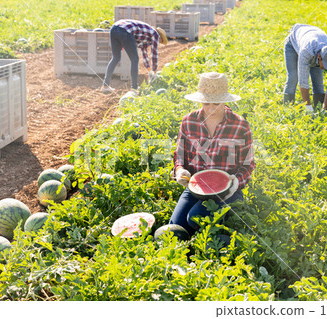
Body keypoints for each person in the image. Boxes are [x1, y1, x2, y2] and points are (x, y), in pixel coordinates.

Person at [170, 72, 256, 235]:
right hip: (196, 187)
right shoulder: (189, 121)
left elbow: (248, 164)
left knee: (194, 218)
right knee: (175, 229)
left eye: (216, 104)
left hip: (227, 191)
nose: (210, 109)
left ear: (225, 100)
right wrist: (180, 170)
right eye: (206, 103)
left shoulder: (240, 126)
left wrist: (236, 182)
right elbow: (179, 155)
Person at [283, 24, 327, 110]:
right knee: (293, 77)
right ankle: (287, 109)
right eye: (326, 65)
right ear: (320, 57)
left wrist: (324, 109)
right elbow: (303, 82)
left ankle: (319, 108)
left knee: (318, 82)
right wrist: (308, 107)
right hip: (294, 43)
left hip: (314, 42)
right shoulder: (307, 51)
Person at [101, 19, 168, 94]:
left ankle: (105, 86)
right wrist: (155, 71)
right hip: (125, 30)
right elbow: (154, 53)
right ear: (160, 37)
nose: (159, 42)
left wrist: (149, 71)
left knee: (115, 58)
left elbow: (144, 53)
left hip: (114, 28)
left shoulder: (146, 34)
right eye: (160, 41)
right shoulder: (156, 35)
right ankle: (134, 88)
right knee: (135, 59)